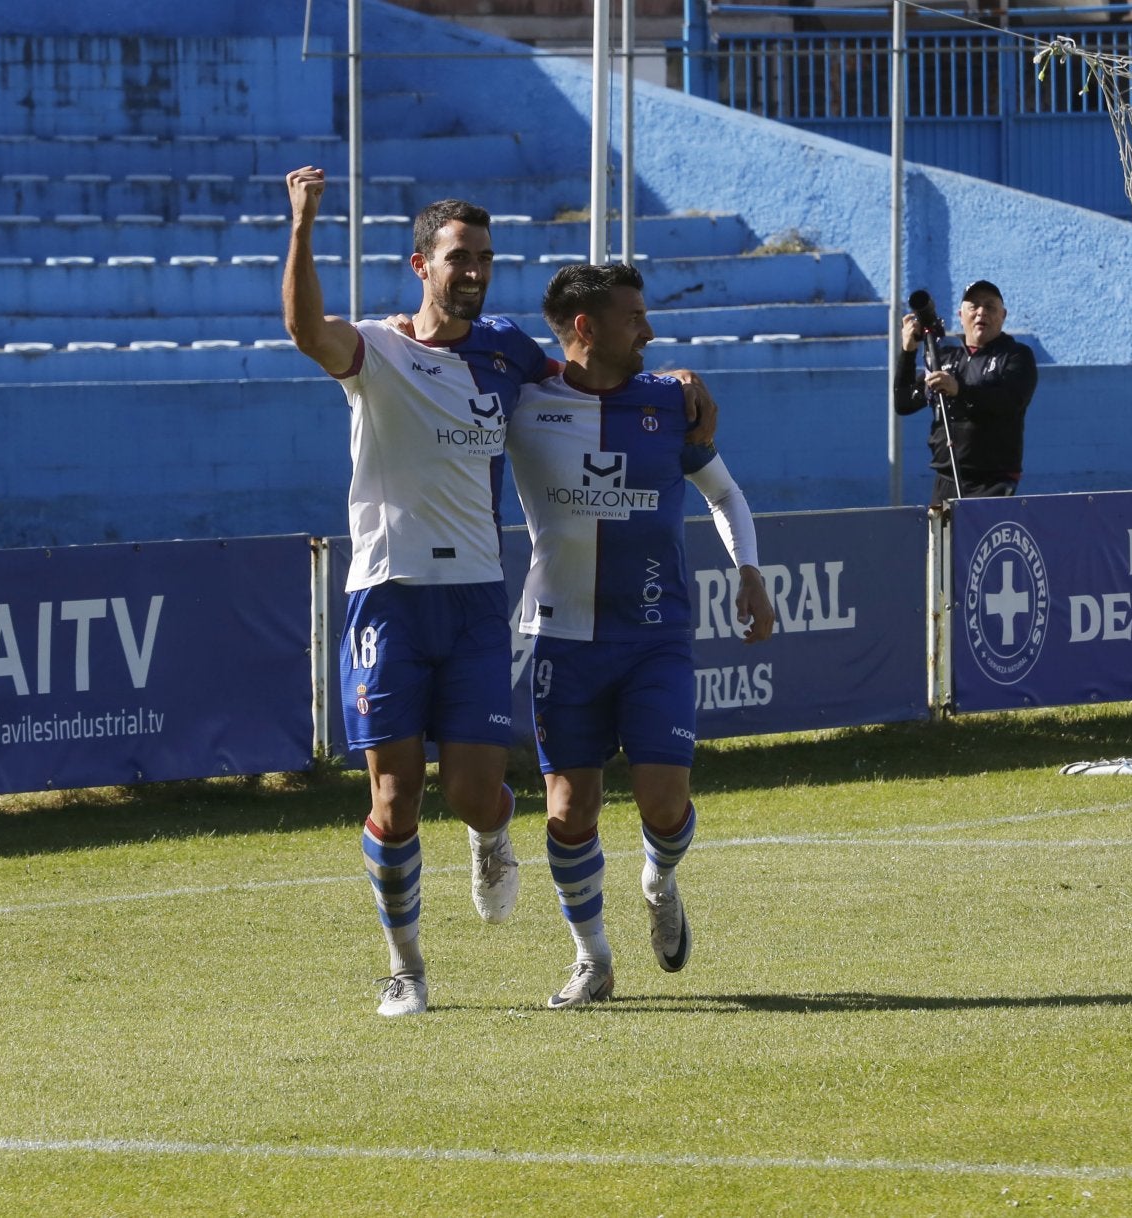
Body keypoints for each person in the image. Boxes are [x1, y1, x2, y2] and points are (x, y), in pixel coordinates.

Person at [281, 165, 541, 1018]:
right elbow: (303, 331)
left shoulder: (506, 350)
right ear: (420, 264)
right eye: (460, 257)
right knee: (392, 804)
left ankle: (492, 835)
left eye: (486, 259)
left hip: (473, 595)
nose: (475, 271)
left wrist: (675, 385)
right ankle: (407, 969)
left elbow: (585, 380)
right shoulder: (378, 347)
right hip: (388, 597)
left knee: (471, 792)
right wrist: (304, 226)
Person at [503, 261, 775, 1009]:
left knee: (663, 802)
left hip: (656, 636)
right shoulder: (525, 404)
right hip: (562, 636)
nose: (650, 331)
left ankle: (658, 881)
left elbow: (723, 494)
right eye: (634, 319)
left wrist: (748, 569)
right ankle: (593, 959)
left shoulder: (668, 401)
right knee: (567, 811)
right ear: (586, 328)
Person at [894, 279, 1039, 507]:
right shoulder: (945, 359)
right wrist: (908, 352)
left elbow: (1010, 401)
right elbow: (903, 403)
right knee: (941, 544)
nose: (981, 312)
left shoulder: (1015, 355)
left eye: (990, 307)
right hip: (946, 479)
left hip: (993, 481)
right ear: (961, 315)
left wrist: (959, 390)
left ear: (1003, 315)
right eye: (974, 306)